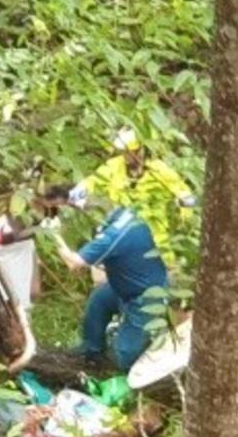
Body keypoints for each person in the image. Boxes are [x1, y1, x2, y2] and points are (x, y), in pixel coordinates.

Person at [44, 185, 169, 372]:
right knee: (98, 302)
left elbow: (74, 263)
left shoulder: (111, 237)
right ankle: (92, 350)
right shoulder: (126, 214)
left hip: (147, 295)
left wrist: (54, 235)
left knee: (121, 358)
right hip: (128, 283)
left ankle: (134, 356)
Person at [69, 128, 197, 269]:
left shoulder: (159, 171)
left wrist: (184, 216)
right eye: (124, 153)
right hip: (121, 233)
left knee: (162, 279)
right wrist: (76, 195)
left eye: (131, 153)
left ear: (141, 149)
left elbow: (186, 195)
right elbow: (92, 181)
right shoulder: (114, 166)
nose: (127, 157)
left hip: (155, 239)